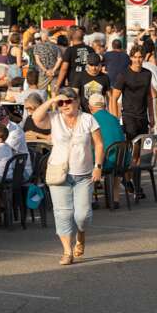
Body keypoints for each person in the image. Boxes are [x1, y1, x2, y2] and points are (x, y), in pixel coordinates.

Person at [32, 88, 104, 265]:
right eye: (62, 102)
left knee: (83, 215)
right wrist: (53, 100)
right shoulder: (54, 118)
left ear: (77, 101)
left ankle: (81, 233)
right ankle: (67, 251)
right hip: (59, 173)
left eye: (68, 101)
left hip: (84, 174)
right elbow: (36, 118)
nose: (65, 105)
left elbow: (99, 144)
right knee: (62, 214)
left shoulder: (88, 119)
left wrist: (98, 167)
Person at [89, 93, 125, 209]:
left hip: (104, 162)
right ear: (105, 106)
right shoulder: (114, 118)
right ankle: (115, 199)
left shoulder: (90, 119)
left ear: (90, 107)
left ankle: (90, 198)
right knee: (115, 159)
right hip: (121, 160)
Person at [111, 46, 154, 139]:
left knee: (143, 148)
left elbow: (149, 96)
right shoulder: (124, 74)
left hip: (143, 116)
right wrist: (115, 119)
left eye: (140, 57)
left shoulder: (148, 74)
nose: (137, 60)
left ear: (143, 58)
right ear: (131, 58)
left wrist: (152, 116)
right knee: (132, 143)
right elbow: (114, 98)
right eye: (135, 57)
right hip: (129, 115)